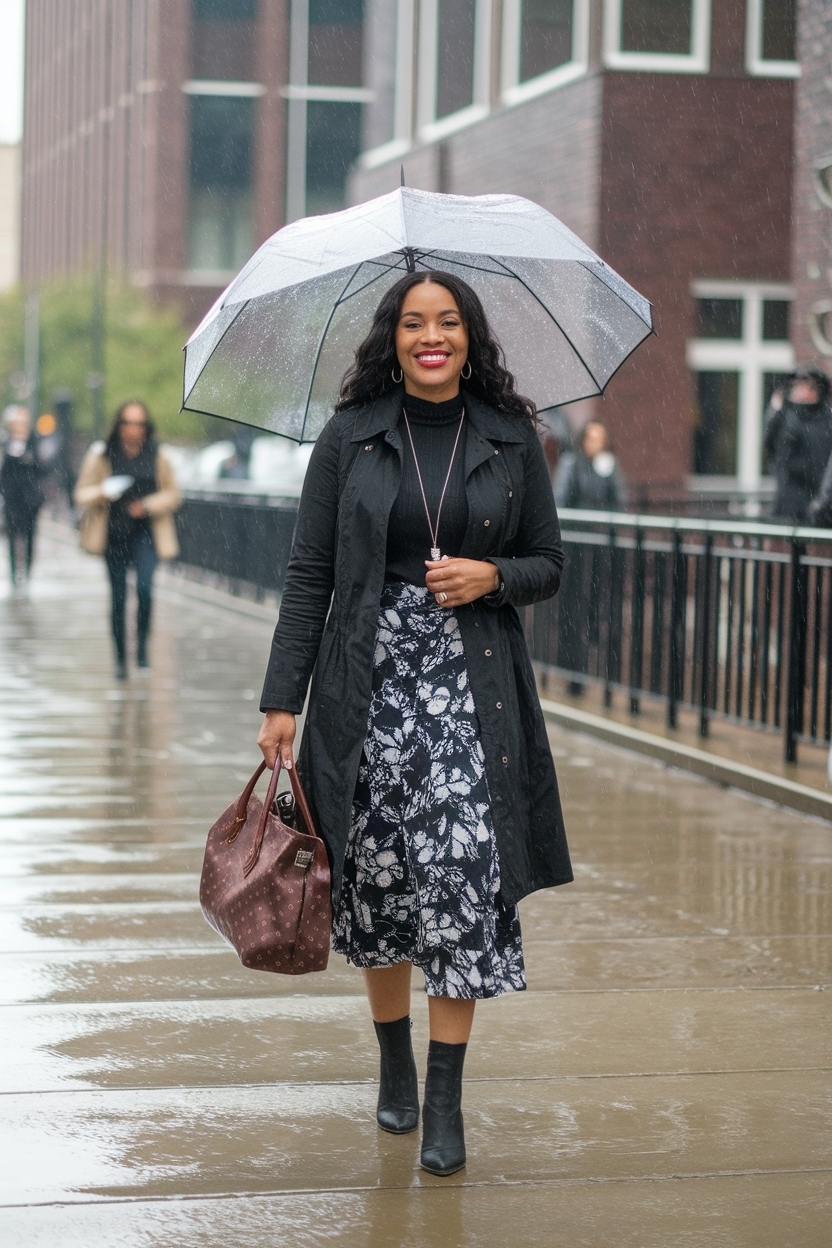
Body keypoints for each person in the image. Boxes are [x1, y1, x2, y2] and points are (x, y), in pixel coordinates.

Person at [257, 272, 572, 1177]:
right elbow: (309, 573)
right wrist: (283, 701)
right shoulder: (350, 438)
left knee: (466, 880)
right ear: (391, 339)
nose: (430, 337)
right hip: (369, 687)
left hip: (475, 694)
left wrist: (491, 577)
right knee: (382, 884)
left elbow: (549, 561)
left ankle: (444, 1099)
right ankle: (393, 1057)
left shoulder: (511, 437)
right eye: (411, 323)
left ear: (470, 336)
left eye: (447, 322)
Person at [74, 401, 180, 679]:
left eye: (139, 423)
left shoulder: (158, 455)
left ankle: (142, 651)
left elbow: (173, 494)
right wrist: (104, 491)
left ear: (147, 427)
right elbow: (81, 493)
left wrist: (147, 505)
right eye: (128, 423)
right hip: (114, 534)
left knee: (145, 590)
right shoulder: (102, 454)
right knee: (118, 598)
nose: (133, 429)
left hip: (146, 534)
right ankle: (121, 660)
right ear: (119, 425)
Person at [554, 420, 625, 695]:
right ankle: (572, 675)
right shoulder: (572, 464)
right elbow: (561, 500)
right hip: (574, 551)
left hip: (599, 553)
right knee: (573, 609)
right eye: (591, 437)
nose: (595, 443)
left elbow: (618, 501)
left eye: (600, 437)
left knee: (594, 610)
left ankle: (591, 674)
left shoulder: (608, 466)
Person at [763, 366, 832, 522]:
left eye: (804, 385)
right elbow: (769, 444)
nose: (797, 390)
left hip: (813, 503)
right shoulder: (786, 414)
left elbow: (819, 463)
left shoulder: (825, 419)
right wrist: (775, 409)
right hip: (787, 502)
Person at [0, 406, 45, 589]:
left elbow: (42, 468)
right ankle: (13, 575)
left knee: (30, 536)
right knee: (12, 537)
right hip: (12, 498)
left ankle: (27, 574)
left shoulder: (34, 442)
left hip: (30, 498)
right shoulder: (5, 444)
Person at [554, 419, 626, 512]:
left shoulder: (608, 464)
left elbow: (619, 497)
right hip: (574, 521)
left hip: (599, 521)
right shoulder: (571, 463)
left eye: (599, 440)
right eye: (591, 439)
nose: (594, 444)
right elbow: (560, 496)